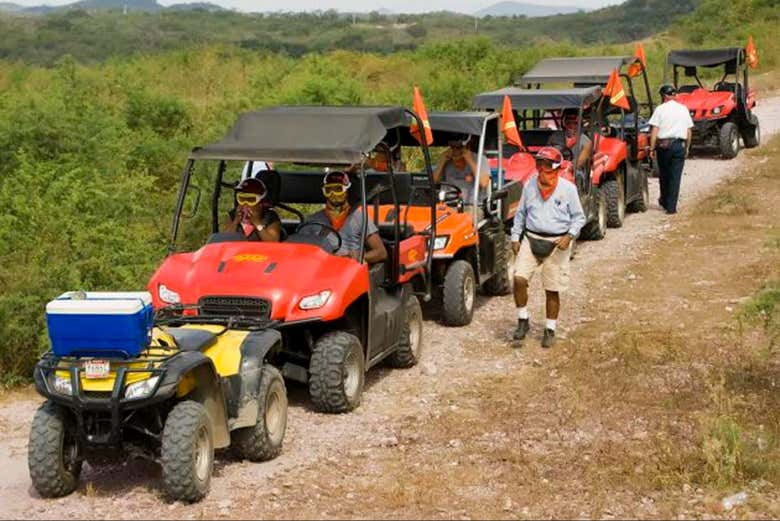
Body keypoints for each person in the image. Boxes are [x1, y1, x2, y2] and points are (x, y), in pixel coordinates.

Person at [510, 147, 586, 348]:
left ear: (554, 167)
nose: (540, 168)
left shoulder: (568, 189)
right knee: (518, 278)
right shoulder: (530, 186)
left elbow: (579, 218)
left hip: (556, 243)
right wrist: (516, 237)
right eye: (538, 164)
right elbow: (521, 214)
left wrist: (569, 236)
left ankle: (550, 328)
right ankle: (523, 319)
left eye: (544, 164)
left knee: (552, 289)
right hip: (532, 237)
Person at [305, 171, 388, 264]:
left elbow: (381, 253)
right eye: (329, 190)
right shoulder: (313, 220)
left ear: (346, 190)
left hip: (349, 270)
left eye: (338, 189)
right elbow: (301, 250)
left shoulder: (360, 217)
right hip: (320, 267)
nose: (333, 194)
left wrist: (359, 257)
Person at [648, 84, 694, 214]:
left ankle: (664, 200)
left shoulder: (660, 109)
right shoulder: (683, 109)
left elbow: (655, 130)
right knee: (675, 177)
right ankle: (671, 207)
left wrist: (651, 148)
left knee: (665, 175)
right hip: (679, 145)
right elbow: (689, 130)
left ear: (664, 96)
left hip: (664, 146)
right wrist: (687, 147)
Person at [432, 138, 491, 204]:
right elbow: (434, 181)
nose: (455, 151)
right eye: (452, 147)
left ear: (467, 147)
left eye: (458, 148)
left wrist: (469, 160)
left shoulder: (480, 159)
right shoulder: (446, 160)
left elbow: (484, 183)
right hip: (449, 204)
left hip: (473, 205)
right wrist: (442, 161)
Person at [223, 177, 282, 242]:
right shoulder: (233, 215)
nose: (245, 204)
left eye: (250, 200)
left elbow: (273, 241)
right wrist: (236, 222)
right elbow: (225, 239)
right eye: (242, 199)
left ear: (261, 204)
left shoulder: (270, 217)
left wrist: (257, 222)